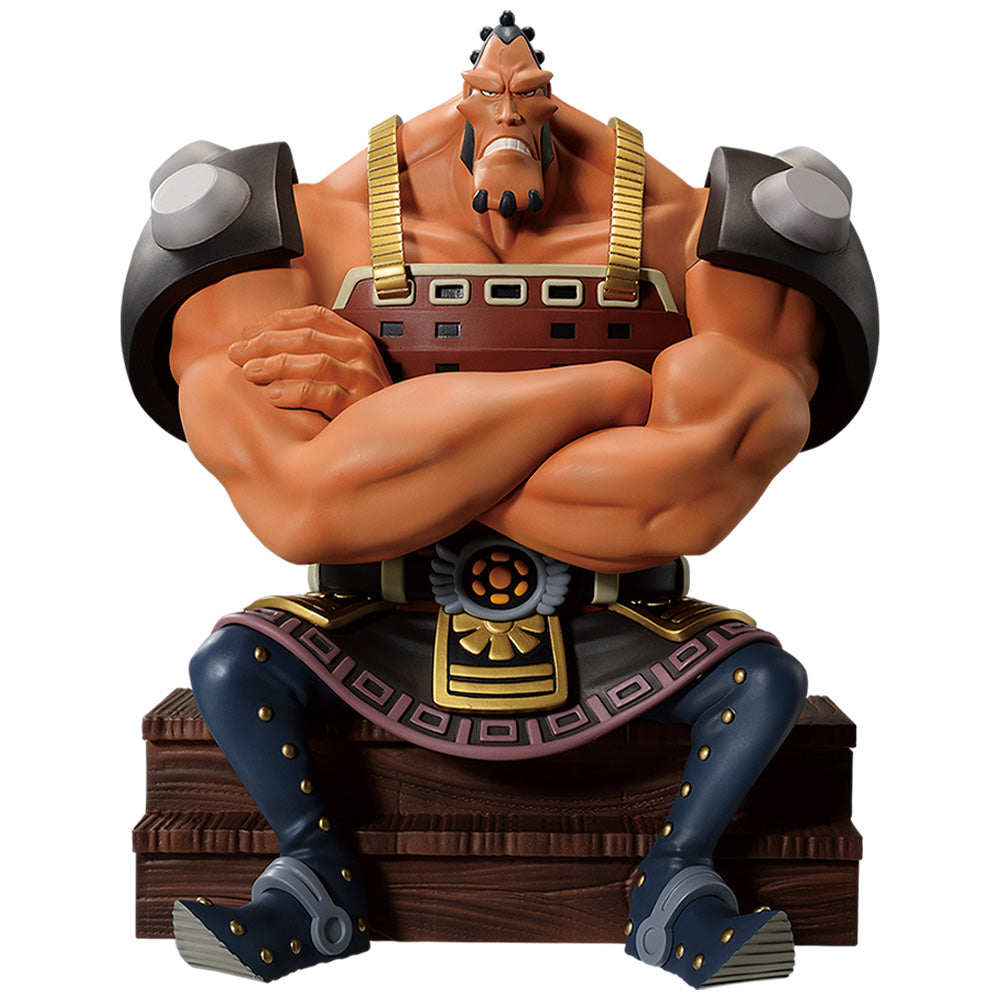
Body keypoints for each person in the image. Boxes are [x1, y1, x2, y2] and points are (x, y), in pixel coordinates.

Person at [122, 10, 876, 988]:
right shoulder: (277, 232)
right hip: (381, 620)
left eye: (529, 96)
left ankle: (675, 886)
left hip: (615, 623)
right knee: (231, 664)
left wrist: (389, 421)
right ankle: (312, 881)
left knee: (764, 682)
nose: (507, 115)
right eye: (489, 95)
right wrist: (614, 393)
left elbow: (675, 501)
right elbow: (307, 508)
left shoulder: (714, 234)